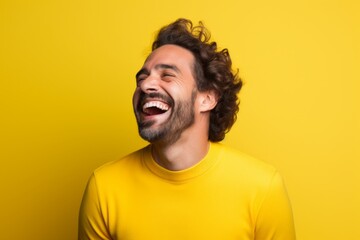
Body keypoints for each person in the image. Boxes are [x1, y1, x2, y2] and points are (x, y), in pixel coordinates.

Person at [78, 18, 296, 240]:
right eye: (141, 78)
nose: (145, 85)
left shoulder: (263, 188)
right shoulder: (103, 187)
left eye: (167, 75)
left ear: (207, 98)